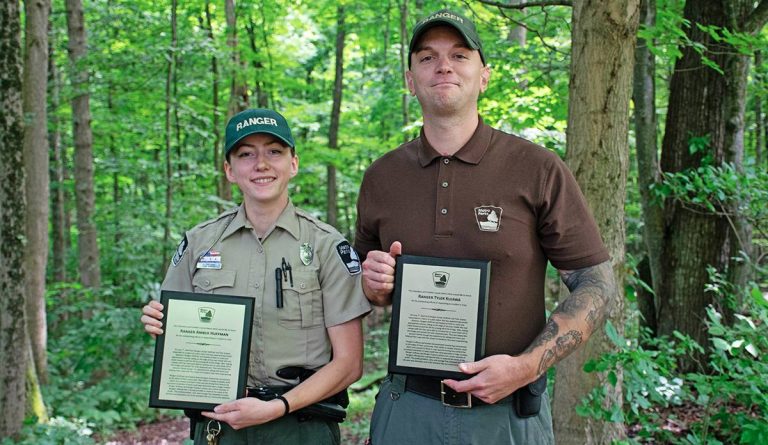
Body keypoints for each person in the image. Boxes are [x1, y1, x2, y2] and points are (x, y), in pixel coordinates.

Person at [355, 9, 617, 445]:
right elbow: (363, 286)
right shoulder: (381, 177)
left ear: (484, 76)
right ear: (409, 79)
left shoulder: (537, 168)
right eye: (427, 57)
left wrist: (526, 367)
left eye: (459, 55)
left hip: (508, 415)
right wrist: (373, 286)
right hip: (407, 413)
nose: (443, 66)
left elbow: (597, 284)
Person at [141, 108, 371, 444]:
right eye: (246, 154)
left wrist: (277, 407)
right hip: (222, 425)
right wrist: (158, 323)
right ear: (229, 170)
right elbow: (176, 335)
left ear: (293, 163)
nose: (261, 164)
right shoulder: (199, 243)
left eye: (274, 152)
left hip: (302, 425)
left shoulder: (325, 245)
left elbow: (349, 363)